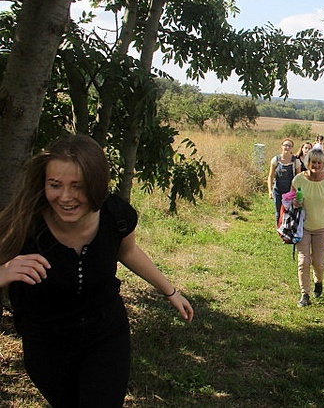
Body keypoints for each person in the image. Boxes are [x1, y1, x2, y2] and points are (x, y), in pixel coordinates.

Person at [0, 134, 193, 407]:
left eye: (77, 186)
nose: (65, 197)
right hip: (47, 345)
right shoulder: (25, 222)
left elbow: (127, 252)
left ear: (96, 183)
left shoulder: (116, 215)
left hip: (105, 334)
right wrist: (4, 272)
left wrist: (170, 291)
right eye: (55, 185)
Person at [291, 149, 324, 307]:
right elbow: (289, 200)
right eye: (314, 162)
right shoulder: (298, 179)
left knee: (318, 262)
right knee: (303, 261)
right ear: (308, 162)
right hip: (303, 227)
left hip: (322, 227)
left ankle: (318, 281)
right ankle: (304, 293)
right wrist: (294, 203)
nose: (316, 165)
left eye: (320, 162)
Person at [267, 138, 302, 224]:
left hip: (290, 191)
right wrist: (270, 190)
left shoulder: (295, 161)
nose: (287, 147)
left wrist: (297, 192)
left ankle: (288, 229)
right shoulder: (276, 160)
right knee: (278, 212)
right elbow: (270, 176)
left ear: (292, 148)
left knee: (289, 211)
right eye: (285, 145)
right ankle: (279, 230)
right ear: (281, 146)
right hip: (278, 190)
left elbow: (299, 178)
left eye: (289, 146)